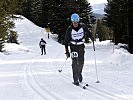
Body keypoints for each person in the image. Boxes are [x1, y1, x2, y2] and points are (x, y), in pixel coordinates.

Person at [64, 13, 94, 86]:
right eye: (74, 23)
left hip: (81, 46)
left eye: (76, 22)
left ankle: (79, 73)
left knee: (81, 62)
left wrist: (92, 37)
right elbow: (66, 41)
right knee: (74, 62)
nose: (75, 24)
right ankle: (75, 79)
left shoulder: (83, 27)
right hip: (73, 46)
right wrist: (67, 51)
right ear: (72, 22)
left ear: (78, 21)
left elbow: (89, 33)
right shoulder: (69, 29)